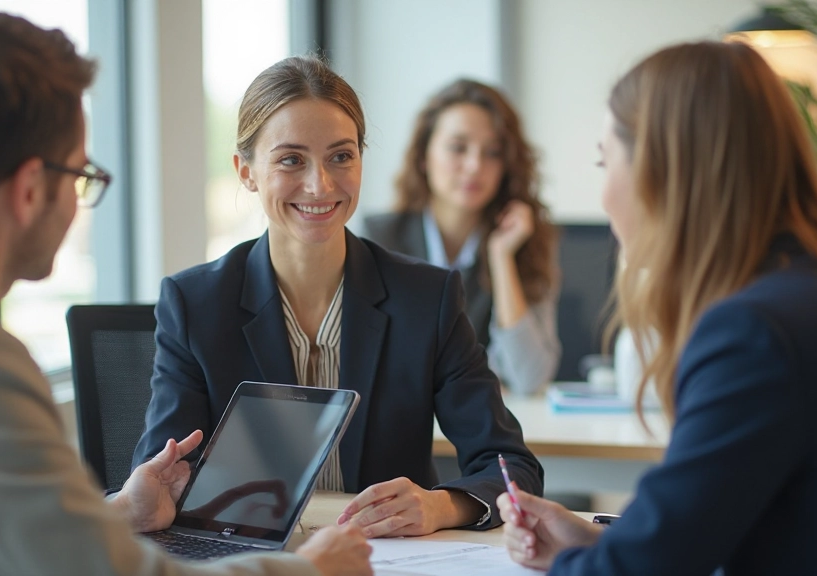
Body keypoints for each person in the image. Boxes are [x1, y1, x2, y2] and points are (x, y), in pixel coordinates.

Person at [0, 7, 371, 576]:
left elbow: (32, 549)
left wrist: (122, 511)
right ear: (31, 189)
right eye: (82, 177)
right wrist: (313, 572)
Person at [496, 41, 817, 575]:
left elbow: (648, 569)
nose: (604, 195)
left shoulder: (757, 332)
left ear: (662, 173)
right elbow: (702, 536)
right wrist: (592, 543)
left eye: (604, 161)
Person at [132, 57, 544, 539]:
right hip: (255, 561)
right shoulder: (195, 303)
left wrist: (439, 507)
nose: (320, 184)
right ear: (246, 171)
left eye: (341, 156)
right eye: (291, 159)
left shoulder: (426, 298)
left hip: (384, 558)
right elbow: (158, 476)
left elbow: (511, 464)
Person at [364, 79, 560, 396]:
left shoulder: (526, 245)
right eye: (458, 147)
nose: (474, 166)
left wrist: (502, 260)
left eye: (493, 153)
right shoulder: (378, 240)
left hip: (485, 430)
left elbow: (529, 378)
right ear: (424, 156)